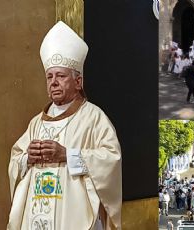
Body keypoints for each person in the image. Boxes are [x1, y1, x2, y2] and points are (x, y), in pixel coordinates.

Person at [7, 21, 122, 230]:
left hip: (72, 218)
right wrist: (27, 158)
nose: (53, 82)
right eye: (49, 77)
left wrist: (67, 155)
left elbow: (111, 159)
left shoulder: (94, 118)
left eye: (60, 76)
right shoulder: (36, 122)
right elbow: (16, 159)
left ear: (78, 82)